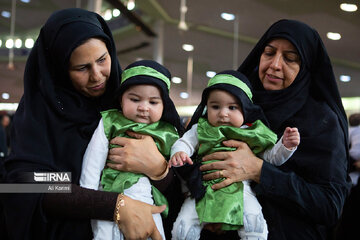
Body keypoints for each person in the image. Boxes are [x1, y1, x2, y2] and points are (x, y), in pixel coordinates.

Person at [0, 8, 176, 240]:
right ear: (60, 70)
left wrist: (159, 170)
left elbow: (182, 186)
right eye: (81, 68)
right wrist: (113, 204)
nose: (97, 75)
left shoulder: (131, 102)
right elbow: (23, 183)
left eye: (102, 60)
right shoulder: (39, 113)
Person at [197, 19, 351, 240]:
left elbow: (329, 205)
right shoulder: (235, 104)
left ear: (306, 67)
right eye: (269, 53)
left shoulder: (320, 121)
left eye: (290, 58)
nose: (275, 64)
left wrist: (259, 170)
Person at [170, 70, 300, 240]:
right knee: (183, 228)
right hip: (203, 189)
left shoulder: (252, 133)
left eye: (232, 107)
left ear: (246, 109)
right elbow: (184, 142)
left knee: (255, 226)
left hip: (241, 191)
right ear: (205, 107)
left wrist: (285, 146)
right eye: (215, 106)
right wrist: (179, 152)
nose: (223, 113)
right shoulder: (200, 129)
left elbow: (270, 158)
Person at [80, 59, 183, 239]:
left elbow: (178, 167)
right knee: (103, 234)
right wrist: (88, 195)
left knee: (154, 231)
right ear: (121, 100)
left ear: (164, 105)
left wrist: (169, 163)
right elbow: (94, 158)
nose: (143, 107)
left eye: (153, 102)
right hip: (109, 192)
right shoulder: (111, 121)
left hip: (147, 197)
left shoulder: (167, 131)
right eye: (135, 99)